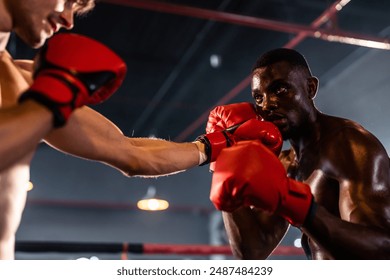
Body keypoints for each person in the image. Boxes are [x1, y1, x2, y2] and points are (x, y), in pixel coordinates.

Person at [0, 0, 283, 259]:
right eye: (69, 0)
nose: (68, 19)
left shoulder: (25, 83)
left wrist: (218, 144)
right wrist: (52, 100)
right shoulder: (42, 94)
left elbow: (129, 153)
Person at [207, 48, 390, 260]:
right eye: (259, 97)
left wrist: (305, 211)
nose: (267, 105)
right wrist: (225, 160)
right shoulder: (283, 164)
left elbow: (383, 249)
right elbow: (252, 252)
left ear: (310, 88)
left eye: (280, 90)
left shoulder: (348, 145)